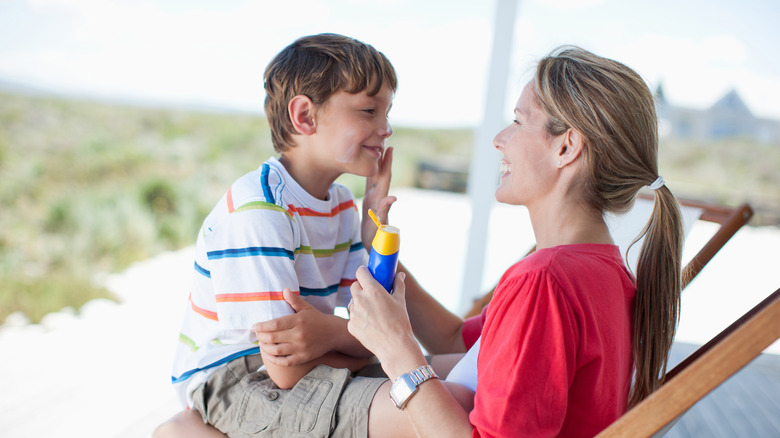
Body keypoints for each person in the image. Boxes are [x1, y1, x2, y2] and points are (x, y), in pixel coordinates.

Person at [159, 45, 684, 438]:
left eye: (518, 122)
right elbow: (461, 341)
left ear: (567, 146)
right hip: (255, 376)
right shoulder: (597, 269)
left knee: (179, 432)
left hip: (284, 382)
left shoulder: (546, 281)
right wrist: (376, 253)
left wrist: (394, 349)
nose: (500, 138)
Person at [158, 33, 399, 437]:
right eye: (368, 110)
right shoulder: (261, 211)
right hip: (236, 377)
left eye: (387, 112)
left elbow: (376, 316)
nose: (386, 127)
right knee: (417, 408)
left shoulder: (339, 203)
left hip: (308, 359)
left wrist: (373, 228)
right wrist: (361, 341)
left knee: (441, 382)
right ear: (304, 116)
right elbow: (288, 370)